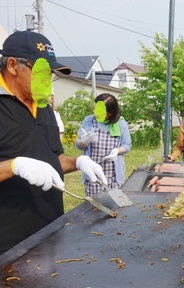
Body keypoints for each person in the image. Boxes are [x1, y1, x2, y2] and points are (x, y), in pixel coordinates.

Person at [0, 30, 108, 255]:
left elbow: (54, 159)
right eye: (41, 72)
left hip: (51, 232)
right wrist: (13, 166)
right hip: (9, 245)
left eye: (51, 74)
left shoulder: (44, 108)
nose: (48, 80)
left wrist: (78, 162)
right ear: (12, 65)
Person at [76, 93, 132, 197]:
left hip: (113, 175)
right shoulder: (89, 121)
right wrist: (83, 141)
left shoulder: (120, 124)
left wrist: (117, 151)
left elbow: (127, 146)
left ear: (110, 113)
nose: (95, 113)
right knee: (94, 207)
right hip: (93, 174)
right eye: (95, 108)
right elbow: (78, 145)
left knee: (114, 206)